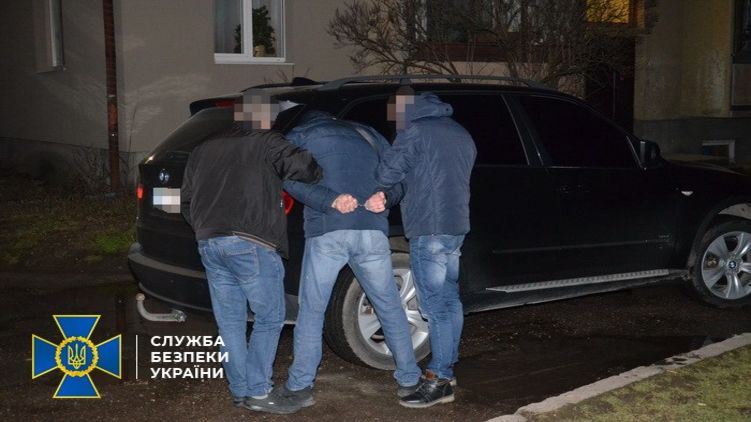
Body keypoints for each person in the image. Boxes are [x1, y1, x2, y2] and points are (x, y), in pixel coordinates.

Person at [181, 92, 322, 415]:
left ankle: (241, 390)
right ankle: (259, 392)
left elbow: (186, 200)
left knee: (229, 322)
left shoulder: (203, 147)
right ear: (265, 117)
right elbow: (307, 169)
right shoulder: (266, 141)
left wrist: (205, 228)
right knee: (269, 317)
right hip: (250, 243)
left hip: (209, 243)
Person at [279, 110, 422, 408]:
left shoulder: (302, 135)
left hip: (329, 231)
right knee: (389, 305)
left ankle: (300, 387)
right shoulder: (369, 133)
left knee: (312, 311)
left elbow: (287, 178)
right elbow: (401, 178)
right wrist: (385, 197)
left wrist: (329, 199)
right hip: (372, 230)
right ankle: (410, 381)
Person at [370, 87, 476, 408]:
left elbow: (385, 173)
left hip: (429, 228)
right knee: (450, 301)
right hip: (456, 227)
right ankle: (448, 367)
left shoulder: (415, 131)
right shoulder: (460, 132)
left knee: (434, 306)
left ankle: (439, 379)